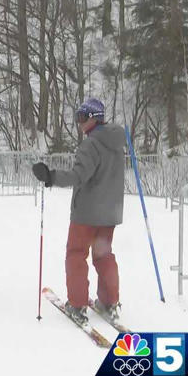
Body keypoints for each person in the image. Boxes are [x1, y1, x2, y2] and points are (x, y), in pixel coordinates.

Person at [31, 97, 125, 325]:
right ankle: (109, 302)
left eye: (82, 118)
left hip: (87, 214)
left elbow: (78, 175)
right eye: (77, 118)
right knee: (104, 256)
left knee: (76, 255)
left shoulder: (91, 144)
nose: (79, 124)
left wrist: (51, 176)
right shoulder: (117, 142)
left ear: (94, 119)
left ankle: (77, 304)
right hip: (109, 213)